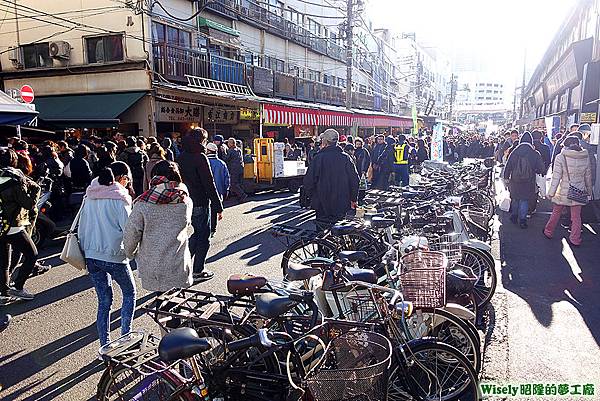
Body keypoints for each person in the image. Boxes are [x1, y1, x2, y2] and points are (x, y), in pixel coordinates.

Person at [78, 163, 135, 346]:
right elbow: (129, 230)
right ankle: (126, 338)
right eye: (127, 179)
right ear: (121, 178)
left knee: (104, 300)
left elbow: (82, 226)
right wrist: (133, 253)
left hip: (91, 255)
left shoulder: (90, 194)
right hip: (114, 254)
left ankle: (105, 343)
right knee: (129, 293)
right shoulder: (119, 198)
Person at [124, 160, 194, 292]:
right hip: (178, 263)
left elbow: (131, 234)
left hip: (152, 265)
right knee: (176, 304)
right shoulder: (186, 201)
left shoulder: (142, 204)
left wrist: (130, 253)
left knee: (161, 303)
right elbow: (187, 223)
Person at [177, 129, 223, 281]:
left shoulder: (181, 156)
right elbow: (209, 184)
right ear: (202, 140)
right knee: (204, 236)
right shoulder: (200, 157)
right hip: (201, 202)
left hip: (186, 201)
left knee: (197, 234)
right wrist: (218, 206)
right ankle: (198, 270)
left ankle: (184, 265)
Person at [0, 149, 41, 304]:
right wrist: (36, 190)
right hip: (13, 224)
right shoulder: (15, 178)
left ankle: (3, 293)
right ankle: (18, 286)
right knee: (32, 254)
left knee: (3, 261)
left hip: (0, 226)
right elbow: (28, 204)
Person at [303, 129, 359, 228]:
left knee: (322, 235)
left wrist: (313, 197)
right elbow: (355, 180)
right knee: (340, 231)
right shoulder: (346, 158)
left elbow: (308, 182)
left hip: (322, 202)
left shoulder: (319, 158)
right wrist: (353, 198)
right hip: (342, 201)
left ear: (325, 141)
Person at [544, 136, 592, 246]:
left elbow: (556, 178)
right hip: (578, 191)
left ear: (565, 145)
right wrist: (589, 191)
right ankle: (575, 238)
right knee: (576, 217)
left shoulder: (561, 157)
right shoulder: (585, 156)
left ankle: (548, 231)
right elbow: (588, 176)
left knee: (556, 212)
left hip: (563, 191)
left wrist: (551, 193)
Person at [502, 132, 545, 228]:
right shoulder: (534, 153)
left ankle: (514, 216)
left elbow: (508, 166)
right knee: (524, 200)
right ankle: (522, 220)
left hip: (515, 180)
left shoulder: (514, 152)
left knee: (515, 198)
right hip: (528, 181)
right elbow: (541, 168)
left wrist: (506, 178)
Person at [206, 143, 230, 237]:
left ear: (208, 151)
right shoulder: (221, 163)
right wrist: (225, 190)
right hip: (218, 191)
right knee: (214, 210)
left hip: (206, 191)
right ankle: (213, 229)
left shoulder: (204, 161)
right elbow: (226, 178)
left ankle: (207, 229)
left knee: (206, 210)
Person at [225, 138, 247, 202]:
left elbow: (226, 158)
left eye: (229, 143)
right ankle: (238, 196)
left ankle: (242, 195)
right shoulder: (239, 150)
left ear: (232, 143)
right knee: (239, 183)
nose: (228, 144)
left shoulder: (231, 150)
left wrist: (224, 151)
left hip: (234, 169)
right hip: (240, 168)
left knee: (233, 184)